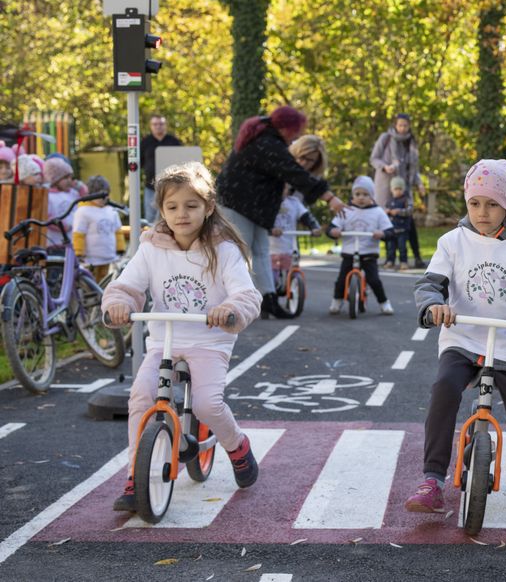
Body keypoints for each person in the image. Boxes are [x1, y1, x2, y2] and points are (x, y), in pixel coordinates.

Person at [405, 159, 506, 513]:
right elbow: (429, 285)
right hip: (462, 340)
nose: (482, 212)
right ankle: (432, 479)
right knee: (444, 388)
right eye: (475, 203)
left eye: (492, 204)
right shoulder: (452, 242)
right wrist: (435, 306)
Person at [101, 162, 263, 513]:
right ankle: (134, 475)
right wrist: (118, 303)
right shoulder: (152, 247)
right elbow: (128, 284)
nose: (182, 214)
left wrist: (231, 309)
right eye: (172, 207)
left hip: (210, 338)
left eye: (191, 206)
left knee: (206, 404)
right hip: (165, 340)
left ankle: (237, 446)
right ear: (160, 210)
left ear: (208, 207)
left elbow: (246, 294)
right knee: (142, 396)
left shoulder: (222, 249)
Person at [216, 106, 344, 319]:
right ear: (286, 128)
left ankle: (268, 300)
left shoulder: (265, 138)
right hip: (238, 204)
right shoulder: (268, 144)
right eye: (296, 130)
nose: (297, 136)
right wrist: (329, 198)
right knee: (239, 255)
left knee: (260, 252)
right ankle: (231, 304)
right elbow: (294, 173)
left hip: (251, 206)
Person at [326, 176, 394, 316]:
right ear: (352, 195)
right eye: (357, 194)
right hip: (349, 252)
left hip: (369, 253)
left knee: (374, 280)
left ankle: (384, 303)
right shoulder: (346, 210)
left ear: (372, 196)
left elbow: (390, 231)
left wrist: (382, 233)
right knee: (341, 280)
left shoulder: (378, 212)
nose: (361, 198)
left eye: (365, 194)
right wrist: (334, 231)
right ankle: (337, 301)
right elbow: (331, 228)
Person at [370, 113, 427, 268]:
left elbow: (413, 167)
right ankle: (389, 258)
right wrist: (384, 167)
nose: (402, 128)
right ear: (395, 124)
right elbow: (374, 159)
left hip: (404, 188)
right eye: (400, 125)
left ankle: (416, 257)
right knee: (387, 223)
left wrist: (419, 183)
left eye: (405, 125)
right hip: (386, 187)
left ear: (409, 126)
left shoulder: (411, 142)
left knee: (409, 221)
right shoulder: (386, 138)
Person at [72, 175, 125, 281]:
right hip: (91, 258)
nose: (103, 199)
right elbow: (78, 234)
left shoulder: (111, 210)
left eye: (105, 195)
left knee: (105, 281)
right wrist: (78, 252)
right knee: (90, 282)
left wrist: (120, 248)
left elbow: (117, 231)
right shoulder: (83, 211)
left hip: (108, 256)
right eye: (99, 195)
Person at [270, 183, 322, 280]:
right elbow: (260, 221)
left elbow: (306, 217)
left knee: (294, 275)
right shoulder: (267, 202)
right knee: (271, 278)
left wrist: (314, 227)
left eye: (285, 187)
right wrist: (270, 229)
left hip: (290, 249)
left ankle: (295, 287)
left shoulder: (294, 203)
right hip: (271, 250)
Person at [140, 114, 182, 224]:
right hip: (151, 187)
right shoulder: (145, 142)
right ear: (151, 126)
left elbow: (182, 161)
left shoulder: (174, 142)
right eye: (155, 124)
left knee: (171, 217)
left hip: (172, 187)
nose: (158, 126)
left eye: (161, 124)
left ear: (165, 125)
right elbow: (139, 163)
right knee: (150, 219)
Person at [44, 156, 78, 246]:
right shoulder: (49, 196)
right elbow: (47, 217)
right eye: (65, 178)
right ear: (55, 180)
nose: (69, 181)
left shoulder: (73, 194)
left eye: (70, 177)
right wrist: (62, 227)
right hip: (55, 242)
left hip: (72, 240)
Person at [384, 176, 412, 270]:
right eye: (396, 189)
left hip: (402, 228)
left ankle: (403, 262)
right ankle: (390, 261)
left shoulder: (405, 200)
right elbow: (385, 211)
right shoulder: (389, 200)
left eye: (400, 189)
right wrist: (386, 211)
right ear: (392, 190)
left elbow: (410, 210)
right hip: (392, 229)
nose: (398, 191)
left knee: (402, 247)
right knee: (390, 247)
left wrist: (399, 211)